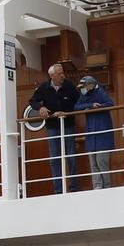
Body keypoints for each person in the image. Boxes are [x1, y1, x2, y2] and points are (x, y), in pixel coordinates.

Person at [25, 62, 79, 194]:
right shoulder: (44, 87)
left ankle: (73, 187)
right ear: (52, 76)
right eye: (59, 74)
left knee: (71, 156)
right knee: (54, 158)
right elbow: (32, 101)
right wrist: (41, 107)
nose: (63, 76)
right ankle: (58, 189)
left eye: (62, 73)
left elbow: (78, 101)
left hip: (68, 125)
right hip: (52, 127)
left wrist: (65, 112)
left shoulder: (69, 85)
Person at [74, 73, 117, 189]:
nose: (82, 89)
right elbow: (76, 106)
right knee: (93, 163)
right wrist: (90, 105)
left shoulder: (101, 92)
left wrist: (98, 107)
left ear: (91, 85)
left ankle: (107, 187)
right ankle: (97, 187)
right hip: (91, 133)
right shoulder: (84, 95)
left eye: (84, 86)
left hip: (102, 132)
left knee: (102, 162)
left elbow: (110, 103)